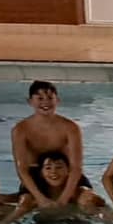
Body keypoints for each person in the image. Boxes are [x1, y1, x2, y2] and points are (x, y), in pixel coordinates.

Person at [11, 80, 88, 210]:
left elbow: (76, 168)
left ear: (57, 100)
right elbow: (22, 169)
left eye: (50, 98)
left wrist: (63, 199)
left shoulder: (71, 128)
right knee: (25, 204)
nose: (45, 102)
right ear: (30, 101)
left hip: (66, 176)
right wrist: (39, 198)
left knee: (89, 200)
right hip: (36, 179)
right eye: (40, 98)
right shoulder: (21, 130)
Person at [2, 151, 107, 224]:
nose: (53, 172)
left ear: (69, 171)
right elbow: (19, 210)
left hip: (73, 221)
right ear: (41, 173)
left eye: (59, 167)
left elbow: (101, 207)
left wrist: (107, 222)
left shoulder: (79, 191)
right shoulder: (32, 194)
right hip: (41, 222)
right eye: (48, 168)